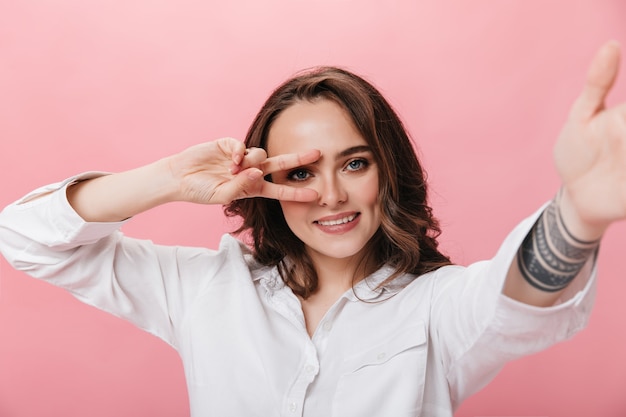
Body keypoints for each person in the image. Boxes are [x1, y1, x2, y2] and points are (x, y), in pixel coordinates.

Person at [0, 40, 623, 417]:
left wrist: (578, 214)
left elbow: (518, 300)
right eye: (300, 171)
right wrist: (168, 176)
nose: (330, 194)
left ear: (389, 169)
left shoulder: (437, 308)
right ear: (263, 182)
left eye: (355, 162)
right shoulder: (205, 290)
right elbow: (25, 237)